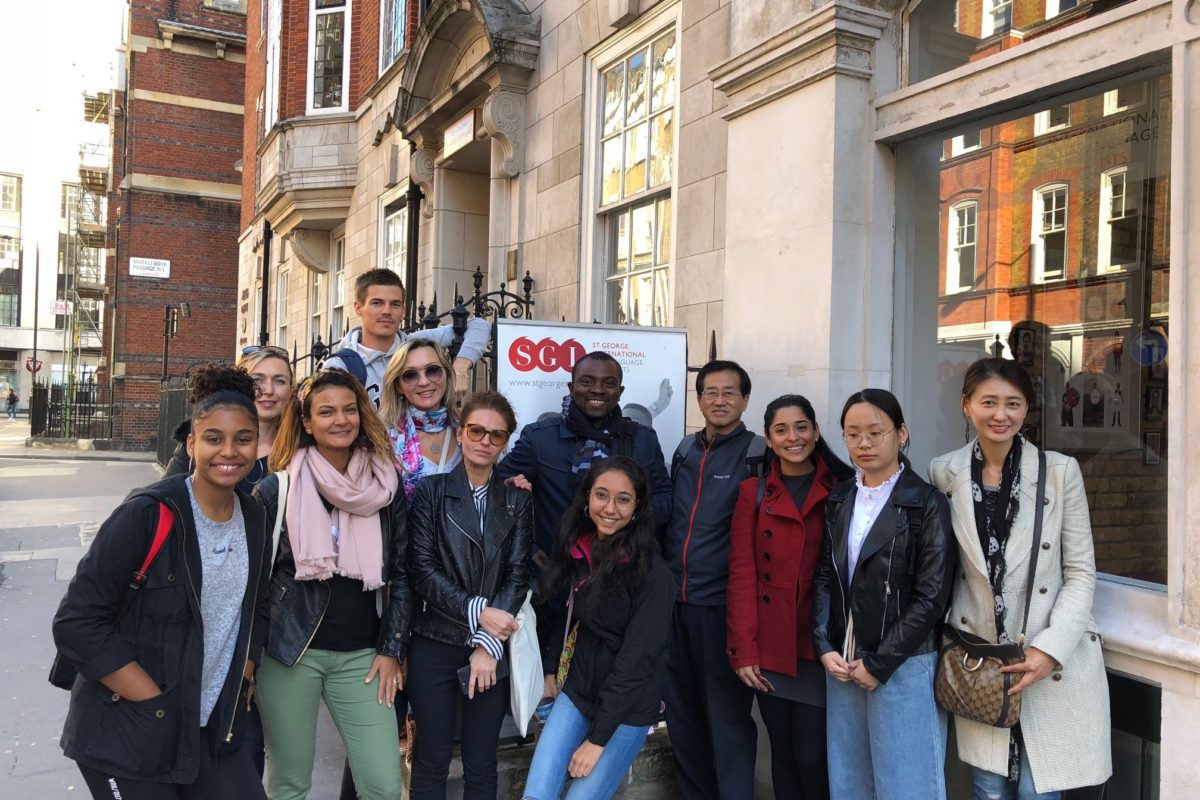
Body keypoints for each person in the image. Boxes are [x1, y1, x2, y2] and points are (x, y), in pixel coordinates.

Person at [52, 364, 270, 799]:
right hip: (131, 732)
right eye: (213, 438)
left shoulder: (255, 516)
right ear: (191, 443)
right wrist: (155, 703)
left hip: (213, 727)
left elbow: (256, 604)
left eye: (243, 439)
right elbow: (76, 623)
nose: (229, 451)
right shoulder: (148, 514)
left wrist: (245, 670)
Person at [930, 358, 1111, 799]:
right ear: (966, 406)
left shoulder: (1060, 472)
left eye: (1013, 403)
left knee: (1039, 791)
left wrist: (1050, 649)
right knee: (988, 788)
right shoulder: (943, 472)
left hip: (1048, 662)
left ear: (1027, 410)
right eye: (988, 402)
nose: (1000, 414)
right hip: (982, 664)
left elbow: (1081, 572)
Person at [253, 369, 410, 800]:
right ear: (307, 423)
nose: (340, 420)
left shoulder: (385, 485)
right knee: (290, 783)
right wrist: (250, 658)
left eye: (348, 409)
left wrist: (392, 649)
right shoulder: (278, 488)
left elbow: (402, 572)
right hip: (290, 654)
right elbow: (253, 584)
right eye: (326, 412)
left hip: (363, 657)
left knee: (382, 783)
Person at [497, 351, 672, 696]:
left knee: (607, 679)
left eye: (609, 384)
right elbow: (502, 495)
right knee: (549, 683)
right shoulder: (540, 438)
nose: (598, 390)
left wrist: (626, 523)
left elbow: (665, 497)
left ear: (620, 391)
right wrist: (531, 550)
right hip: (556, 580)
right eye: (587, 382)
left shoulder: (642, 440)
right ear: (572, 387)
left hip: (619, 580)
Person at [812, 388, 956, 800]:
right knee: (850, 781)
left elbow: (932, 597)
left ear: (902, 434)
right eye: (853, 434)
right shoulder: (840, 498)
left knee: (908, 784)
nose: (864, 443)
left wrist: (880, 662)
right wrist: (824, 643)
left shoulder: (925, 503)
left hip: (903, 662)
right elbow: (825, 575)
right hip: (843, 660)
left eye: (876, 432)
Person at [521, 456, 676, 800]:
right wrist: (550, 671)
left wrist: (597, 740)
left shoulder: (653, 575)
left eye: (623, 499)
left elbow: (637, 663)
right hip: (578, 692)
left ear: (637, 507)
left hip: (626, 710)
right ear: (587, 498)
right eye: (601, 495)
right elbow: (565, 613)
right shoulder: (581, 549)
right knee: (536, 795)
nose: (610, 508)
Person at [406, 390, 533, 800]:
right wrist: (480, 614)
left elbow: (518, 574)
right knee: (432, 759)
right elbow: (422, 570)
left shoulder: (516, 499)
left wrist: (487, 643)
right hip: (435, 642)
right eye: (476, 430)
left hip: (490, 650)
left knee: (482, 761)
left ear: (505, 443)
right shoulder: (431, 491)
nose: (485, 441)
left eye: (496, 435)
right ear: (460, 434)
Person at [727, 394, 855, 799]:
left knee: (813, 757)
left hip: (822, 644)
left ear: (816, 431)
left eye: (801, 427)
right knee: (781, 753)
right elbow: (743, 572)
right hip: (772, 645)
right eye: (781, 430)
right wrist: (743, 650)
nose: (793, 437)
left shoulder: (845, 487)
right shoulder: (754, 492)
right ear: (768, 438)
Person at [661, 360, 765, 799]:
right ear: (699, 398)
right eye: (709, 392)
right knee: (683, 721)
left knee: (727, 723)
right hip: (675, 606)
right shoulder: (685, 449)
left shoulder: (758, 453)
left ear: (744, 399)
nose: (718, 400)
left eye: (729, 392)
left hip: (723, 609)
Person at [323, 268, 490, 407]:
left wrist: (460, 367)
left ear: (403, 311)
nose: (387, 311)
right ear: (358, 308)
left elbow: (478, 325)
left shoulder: (415, 344)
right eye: (377, 303)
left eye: (395, 304)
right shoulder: (341, 365)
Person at [167, 346, 295, 498]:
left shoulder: (298, 448)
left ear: (291, 389)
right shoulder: (201, 442)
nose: (268, 390)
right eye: (258, 380)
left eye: (279, 381)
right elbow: (166, 497)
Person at [379, 338, 463, 499]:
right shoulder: (382, 438)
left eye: (432, 370)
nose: (424, 382)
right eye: (410, 375)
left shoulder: (469, 431)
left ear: (446, 374)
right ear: (398, 386)